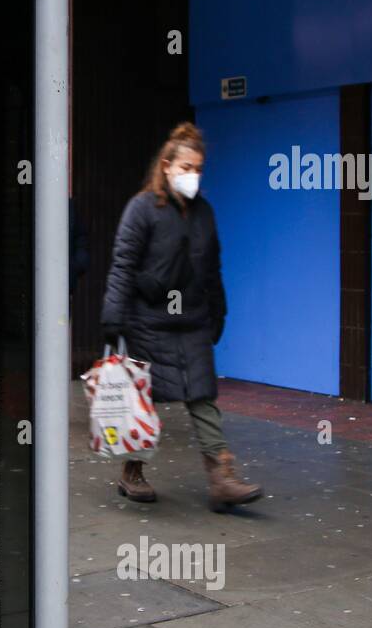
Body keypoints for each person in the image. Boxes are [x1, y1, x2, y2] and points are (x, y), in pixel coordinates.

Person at [100, 122, 262, 511]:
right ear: (167, 166)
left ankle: (221, 477)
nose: (193, 175)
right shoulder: (142, 209)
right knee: (144, 399)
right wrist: (113, 316)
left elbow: (213, 268)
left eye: (199, 168)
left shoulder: (204, 213)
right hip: (149, 320)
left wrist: (218, 312)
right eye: (186, 167)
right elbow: (123, 263)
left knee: (203, 395)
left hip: (191, 320)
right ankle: (132, 472)